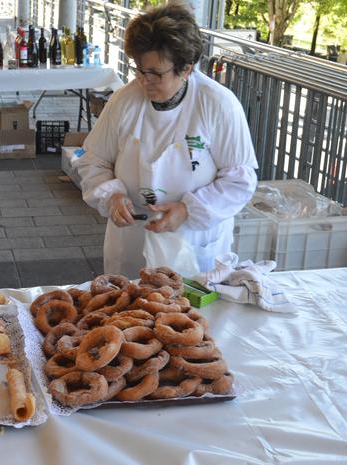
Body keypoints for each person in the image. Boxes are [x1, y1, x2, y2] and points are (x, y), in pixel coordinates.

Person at [75, 2, 258, 278]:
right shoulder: (125, 101)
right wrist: (111, 195)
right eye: (140, 69)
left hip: (194, 240)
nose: (144, 81)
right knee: (126, 312)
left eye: (156, 74)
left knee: (193, 317)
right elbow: (93, 160)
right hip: (133, 236)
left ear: (185, 69)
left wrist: (187, 210)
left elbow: (239, 180)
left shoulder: (218, 104)